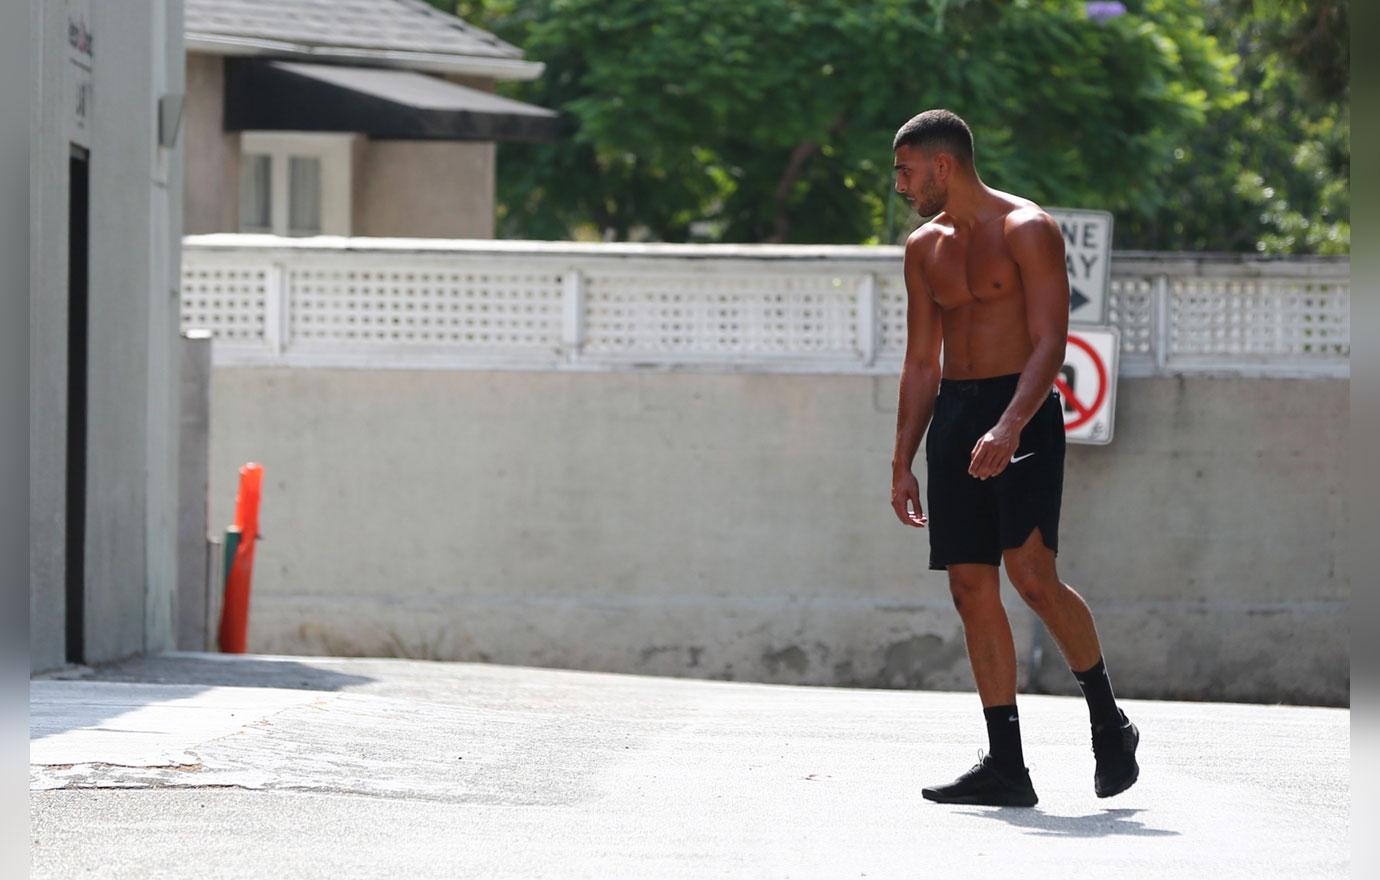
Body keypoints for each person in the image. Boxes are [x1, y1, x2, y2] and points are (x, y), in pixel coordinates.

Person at [888, 109, 1139, 807]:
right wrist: (902, 459)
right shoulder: (922, 248)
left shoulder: (1028, 229)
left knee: (1031, 577)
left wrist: (1009, 426)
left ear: (943, 165)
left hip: (1020, 411)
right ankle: (1006, 766)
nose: (901, 186)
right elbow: (918, 362)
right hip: (956, 412)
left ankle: (1108, 721)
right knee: (970, 586)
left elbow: (1050, 342)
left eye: (906, 171)